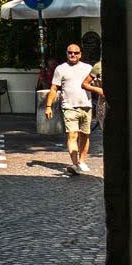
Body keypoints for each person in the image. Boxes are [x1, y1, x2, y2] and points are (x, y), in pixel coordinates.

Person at [44, 42, 104, 175]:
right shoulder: (60, 69)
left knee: (85, 136)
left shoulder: (88, 68)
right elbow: (54, 88)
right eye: (70, 52)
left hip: (86, 106)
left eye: (76, 53)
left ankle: (82, 161)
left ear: (80, 54)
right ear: (66, 54)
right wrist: (48, 106)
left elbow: (94, 82)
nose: (73, 55)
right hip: (69, 106)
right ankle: (75, 163)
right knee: (72, 135)